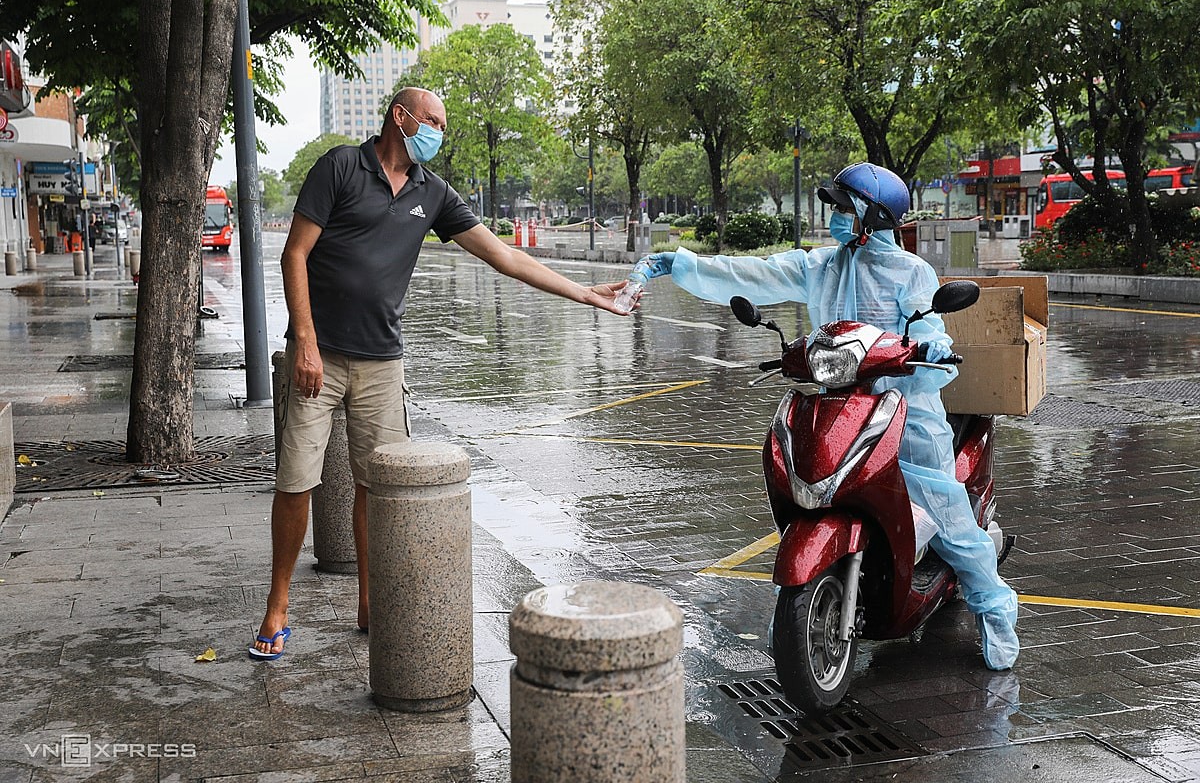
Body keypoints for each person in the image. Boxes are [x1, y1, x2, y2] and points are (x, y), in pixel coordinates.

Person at [250, 87, 631, 660]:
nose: (438, 133)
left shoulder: (433, 193)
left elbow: (506, 256)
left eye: (443, 126)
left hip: (383, 362)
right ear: (399, 118)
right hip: (319, 356)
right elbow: (294, 255)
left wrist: (585, 294)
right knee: (296, 480)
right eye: (431, 121)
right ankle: (278, 605)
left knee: (377, 487)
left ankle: (371, 602)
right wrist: (303, 341)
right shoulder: (339, 168)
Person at [640, 162, 1019, 671]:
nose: (835, 216)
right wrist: (681, 264)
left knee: (949, 519)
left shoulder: (912, 272)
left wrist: (929, 348)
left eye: (844, 207)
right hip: (841, 405)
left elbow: (931, 326)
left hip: (906, 409)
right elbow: (756, 273)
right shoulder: (822, 265)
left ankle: (994, 608)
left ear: (871, 214)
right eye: (835, 207)